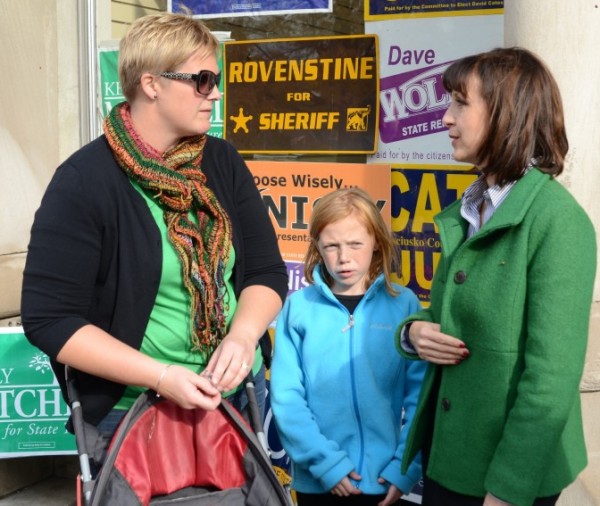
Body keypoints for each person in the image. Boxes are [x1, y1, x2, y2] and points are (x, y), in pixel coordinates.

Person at [20, 12, 288, 456]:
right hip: (132, 413)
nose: (215, 93)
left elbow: (265, 271)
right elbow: (50, 319)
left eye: (216, 79)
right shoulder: (85, 180)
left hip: (239, 400)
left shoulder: (221, 162)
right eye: (202, 80)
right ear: (151, 84)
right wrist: (160, 375)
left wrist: (242, 338)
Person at [396, 47, 597, 506]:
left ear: (509, 114)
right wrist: (415, 333)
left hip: (502, 478)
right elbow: (446, 314)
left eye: (460, 103)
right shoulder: (472, 208)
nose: (445, 118)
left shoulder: (558, 222)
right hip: (449, 458)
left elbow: (550, 381)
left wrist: (507, 490)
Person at [270, 188, 427, 506]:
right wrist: (325, 464)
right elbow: (287, 399)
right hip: (319, 483)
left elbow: (420, 398)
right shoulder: (298, 308)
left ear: (377, 243)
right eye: (332, 246)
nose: (344, 258)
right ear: (317, 247)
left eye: (356, 244)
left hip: (384, 480)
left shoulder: (404, 305)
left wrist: (405, 467)